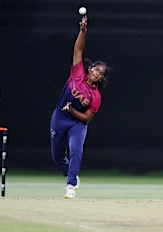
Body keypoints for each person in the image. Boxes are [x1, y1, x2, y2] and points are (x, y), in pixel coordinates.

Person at [50, 15, 111, 199]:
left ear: (101, 78)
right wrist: (83, 31)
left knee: (76, 149)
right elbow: (78, 48)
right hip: (60, 118)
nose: (97, 73)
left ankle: (70, 184)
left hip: (77, 123)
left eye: (101, 73)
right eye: (96, 69)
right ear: (90, 68)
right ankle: (71, 175)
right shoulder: (77, 72)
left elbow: (86, 118)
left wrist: (72, 111)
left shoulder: (96, 96)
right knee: (57, 156)